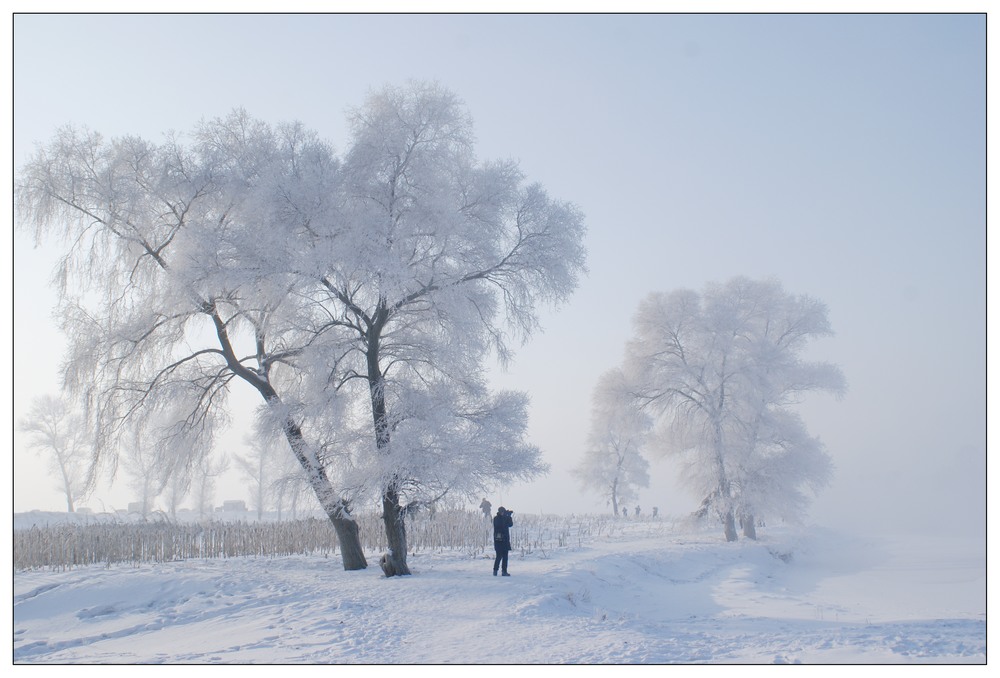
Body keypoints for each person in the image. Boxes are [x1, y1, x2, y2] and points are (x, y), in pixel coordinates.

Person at [493, 506, 513, 576]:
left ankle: (504, 571)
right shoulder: (496, 518)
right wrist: (506, 516)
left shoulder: (506, 518)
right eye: (502, 512)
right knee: (499, 556)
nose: (503, 513)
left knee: (505, 557)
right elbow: (501, 525)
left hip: (505, 540)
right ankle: (495, 570)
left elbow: (510, 524)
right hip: (499, 540)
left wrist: (509, 517)